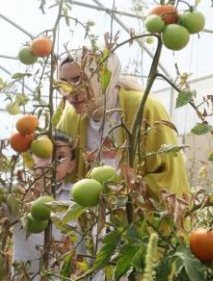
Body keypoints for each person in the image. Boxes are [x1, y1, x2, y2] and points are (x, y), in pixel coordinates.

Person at [56, 47, 189, 196]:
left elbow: (168, 174)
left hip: (138, 216)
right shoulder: (70, 118)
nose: (70, 92)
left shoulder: (145, 109)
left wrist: (121, 197)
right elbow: (57, 166)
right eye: (63, 84)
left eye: (79, 81)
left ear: (101, 79)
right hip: (92, 216)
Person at [12, 131, 76, 277]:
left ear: (71, 165)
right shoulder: (16, 195)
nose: (51, 161)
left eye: (60, 157)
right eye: (43, 154)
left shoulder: (78, 198)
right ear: (31, 159)